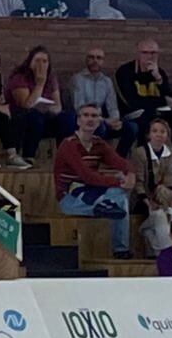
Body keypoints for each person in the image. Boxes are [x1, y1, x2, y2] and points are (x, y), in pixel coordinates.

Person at [53, 103, 134, 259]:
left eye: (94, 116)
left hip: (92, 190)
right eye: (86, 115)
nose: (90, 119)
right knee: (115, 195)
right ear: (78, 120)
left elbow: (122, 163)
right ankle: (102, 206)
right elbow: (86, 176)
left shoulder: (99, 143)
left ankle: (120, 249)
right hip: (70, 196)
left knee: (120, 197)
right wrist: (118, 181)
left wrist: (130, 175)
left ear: (99, 121)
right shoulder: (68, 144)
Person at [131, 116, 172, 253]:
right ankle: (168, 253)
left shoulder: (171, 153)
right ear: (149, 135)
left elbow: (170, 180)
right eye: (155, 131)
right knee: (160, 216)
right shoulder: (140, 153)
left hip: (164, 195)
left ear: (167, 135)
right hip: (143, 197)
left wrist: (168, 200)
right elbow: (139, 182)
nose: (159, 135)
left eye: (162, 131)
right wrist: (149, 202)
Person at [5, 46, 64, 164]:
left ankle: (64, 157)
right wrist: (40, 84)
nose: (41, 65)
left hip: (46, 114)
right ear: (29, 62)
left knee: (68, 119)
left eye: (44, 61)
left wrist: (51, 109)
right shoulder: (19, 78)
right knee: (35, 116)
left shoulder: (51, 78)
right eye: (37, 60)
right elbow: (26, 105)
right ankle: (29, 155)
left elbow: (58, 106)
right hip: (22, 117)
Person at [113, 39, 170, 155]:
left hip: (156, 111)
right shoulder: (125, 72)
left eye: (153, 53)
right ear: (137, 54)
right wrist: (161, 101)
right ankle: (144, 154)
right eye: (145, 53)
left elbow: (170, 99)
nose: (150, 56)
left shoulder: (160, 73)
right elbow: (132, 101)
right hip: (131, 113)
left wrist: (158, 78)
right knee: (148, 114)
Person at [70, 47, 118, 127]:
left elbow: (112, 107)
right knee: (100, 128)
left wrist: (114, 120)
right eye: (91, 57)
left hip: (102, 119)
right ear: (86, 60)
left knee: (130, 128)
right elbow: (79, 107)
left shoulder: (107, 81)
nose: (95, 61)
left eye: (99, 58)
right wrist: (102, 120)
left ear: (103, 62)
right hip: (83, 119)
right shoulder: (78, 79)